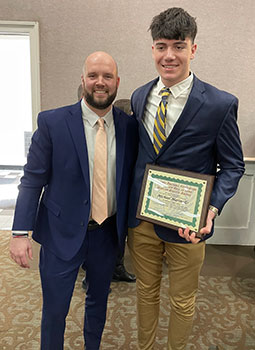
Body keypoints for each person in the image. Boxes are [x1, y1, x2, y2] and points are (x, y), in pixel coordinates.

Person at [127, 7, 244, 350]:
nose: (169, 55)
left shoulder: (219, 104)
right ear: (152, 50)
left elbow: (233, 166)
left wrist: (213, 208)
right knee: (145, 294)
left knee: (182, 301)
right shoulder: (138, 96)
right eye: (161, 46)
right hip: (142, 221)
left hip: (187, 225)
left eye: (178, 46)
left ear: (193, 49)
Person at [10, 51, 138, 350]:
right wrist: (19, 232)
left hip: (107, 234)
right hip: (60, 233)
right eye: (93, 76)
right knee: (55, 310)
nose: (100, 82)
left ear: (117, 82)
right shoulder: (53, 122)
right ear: (83, 80)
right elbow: (32, 179)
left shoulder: (129, 127)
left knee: (98, 303)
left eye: (107, 76)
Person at [76, 85, 136, 288]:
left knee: (118, 234)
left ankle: (117, 267)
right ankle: (89, 274)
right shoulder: (72, 124)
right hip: (87, 200)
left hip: (117, 195)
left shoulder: (126, 125)